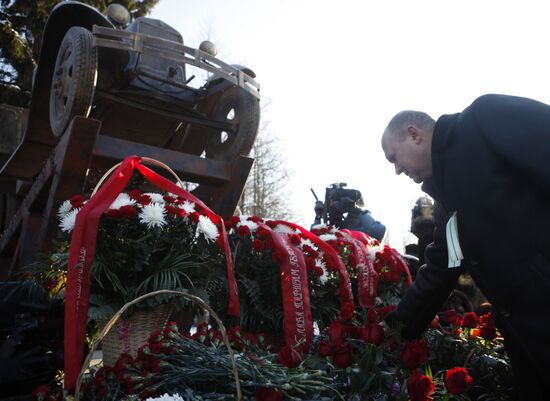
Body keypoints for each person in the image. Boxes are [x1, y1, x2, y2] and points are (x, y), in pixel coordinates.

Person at [380, 94, 550, 400]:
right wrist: (394, 329)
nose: (396, 170)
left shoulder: (483, 120)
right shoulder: (446, 204)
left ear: (413, 134)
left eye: (393, 157)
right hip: (528, 344)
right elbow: (441, 268)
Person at [312, 190, 386, 241]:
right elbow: (315, 239)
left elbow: (378, 231)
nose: (332, 206)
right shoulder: (343, 225)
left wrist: (357, 212)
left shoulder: (360, 220)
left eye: (334, 202)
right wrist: (318, 217)